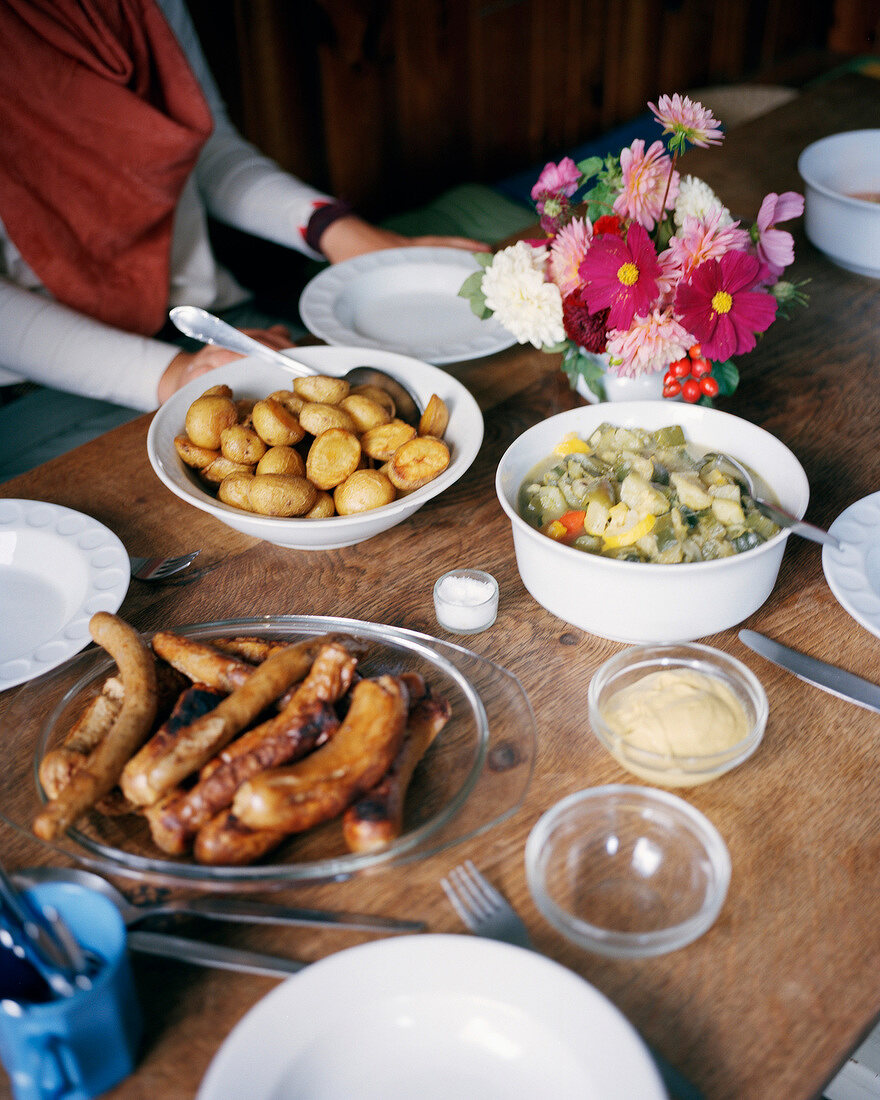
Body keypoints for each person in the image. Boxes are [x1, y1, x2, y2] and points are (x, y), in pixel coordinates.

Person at [0, 0, 486, 462]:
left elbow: (209, 152)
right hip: (41, 381)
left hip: (214, 320)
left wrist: (339, 232)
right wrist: (171, 373)